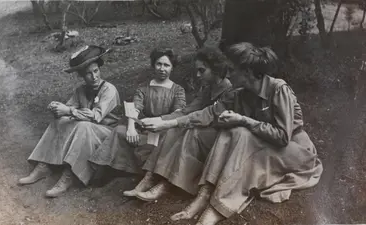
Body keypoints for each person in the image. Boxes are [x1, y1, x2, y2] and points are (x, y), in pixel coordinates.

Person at [141, 42, 323, 225]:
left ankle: (217, 206)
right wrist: (169, 123)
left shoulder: (278, 89)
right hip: (263, 145)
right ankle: (203, 195)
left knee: (240, 132)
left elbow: (283, 137)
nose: (228, 74)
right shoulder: (239, 94)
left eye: (233, 70)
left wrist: (245, 121)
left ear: (247, 72)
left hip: (293, 150)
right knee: (226, 132)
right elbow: (208, 113)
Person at [123, 46, 233, 200]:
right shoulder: (207, 88)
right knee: (174, 130)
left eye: (202, 70)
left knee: (186, 131)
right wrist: (161, 120)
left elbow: (205, 115)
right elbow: (188, 110)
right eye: (197, 70)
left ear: (215, 70)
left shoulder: (229, 91)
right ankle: (149, 178)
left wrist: (170, 123)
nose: (198, 74)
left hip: (219, 136)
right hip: (202, 127)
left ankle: (166, 184)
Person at [18, 45, 121, 198]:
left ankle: (70, 175)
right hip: (89, 130)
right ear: (81, 76)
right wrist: (57, 108)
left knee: (84, 126)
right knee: (60, 121)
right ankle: (44, 165)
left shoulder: (109, 90)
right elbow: (69, 108)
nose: (94, 77)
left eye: (96, 71)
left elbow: (94, 116)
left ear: (100, 69)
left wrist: (70, 111)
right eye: (88, 74)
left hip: (108, 134)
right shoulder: (81, 90)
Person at [88, 47, 186, 183]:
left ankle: (144, 173)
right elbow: (135, 107)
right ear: (153, 65)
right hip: (143, 128)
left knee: (161, 142)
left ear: (172, 67)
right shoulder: (144, 88)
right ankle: (106, 169)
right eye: (159, 64)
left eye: (166, 65)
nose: (162, 68)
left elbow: (178, 113)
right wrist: (131, 127)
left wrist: (160, 122)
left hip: (163, 130)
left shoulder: (178, 90)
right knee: (119, 131)